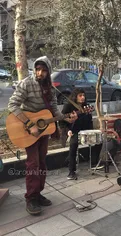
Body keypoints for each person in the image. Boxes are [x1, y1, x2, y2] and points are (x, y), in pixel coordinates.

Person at [8, 56, 77, 215]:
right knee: (33, 164)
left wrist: (66, 117)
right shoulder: (26, 83)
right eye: (38, 69)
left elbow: (54, 109)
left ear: (48, 71)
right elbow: (12, 105)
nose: (40, 73)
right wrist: (30, 124)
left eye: (44, 70)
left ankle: (38, 194)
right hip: (27, 130)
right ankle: (30, 198)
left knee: (42, 163)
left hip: (43, 130)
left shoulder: (50, 88)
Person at [59, 88, 102, 180]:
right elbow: (61, 122)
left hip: (85, 130)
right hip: (72, 131)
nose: (83, 97)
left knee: (99, 140)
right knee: (73, 145)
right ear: (75, 97)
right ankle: (71, 172)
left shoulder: (86, 106)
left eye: (83, 95)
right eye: (80, 95)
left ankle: (94, 163)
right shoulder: (68, 106)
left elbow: (89, 121)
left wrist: (92, 131)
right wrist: (67, 131)